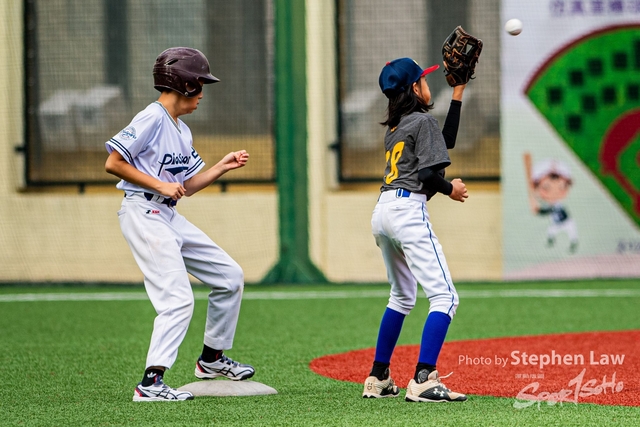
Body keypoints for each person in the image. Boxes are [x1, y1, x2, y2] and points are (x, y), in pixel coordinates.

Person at [105, 47, 255, 402]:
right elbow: (113, 163)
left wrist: (221, 167)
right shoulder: (152, 117)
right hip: (143, 212)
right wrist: (159, 185)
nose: (202, 92)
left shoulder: (182, 130)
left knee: (230, 276)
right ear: (183, 83)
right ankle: (151, 383)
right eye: (199, 83)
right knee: (178, 299)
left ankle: (211, 359)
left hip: (167, 214)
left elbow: (185, 186)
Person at [362, 58, 468, 402]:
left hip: (383, 211)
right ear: (414, 89)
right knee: (445, 297)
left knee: (402, 296)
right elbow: (426, 175)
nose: (427, 84)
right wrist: (450, 189)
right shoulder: (421, 121)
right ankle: (424, 378)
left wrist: (458, 92)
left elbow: (443, 142)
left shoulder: (397, 126)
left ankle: (378, 377)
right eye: (423, 80)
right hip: (407, 211)